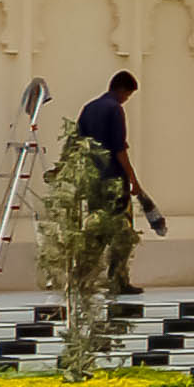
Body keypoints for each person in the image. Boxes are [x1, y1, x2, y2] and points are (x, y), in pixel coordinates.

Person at [71, 69, 163, 295]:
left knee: (95, 231)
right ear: (122, 90)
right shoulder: (115, 110)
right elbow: (119, 150)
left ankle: (82, 278)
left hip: (93, 181)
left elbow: (78, 144)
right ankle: (118, 280)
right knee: (122, 233)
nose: (126, 100)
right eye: (127, 95)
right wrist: (133, 180)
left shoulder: (89, 108)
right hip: (113, 179)